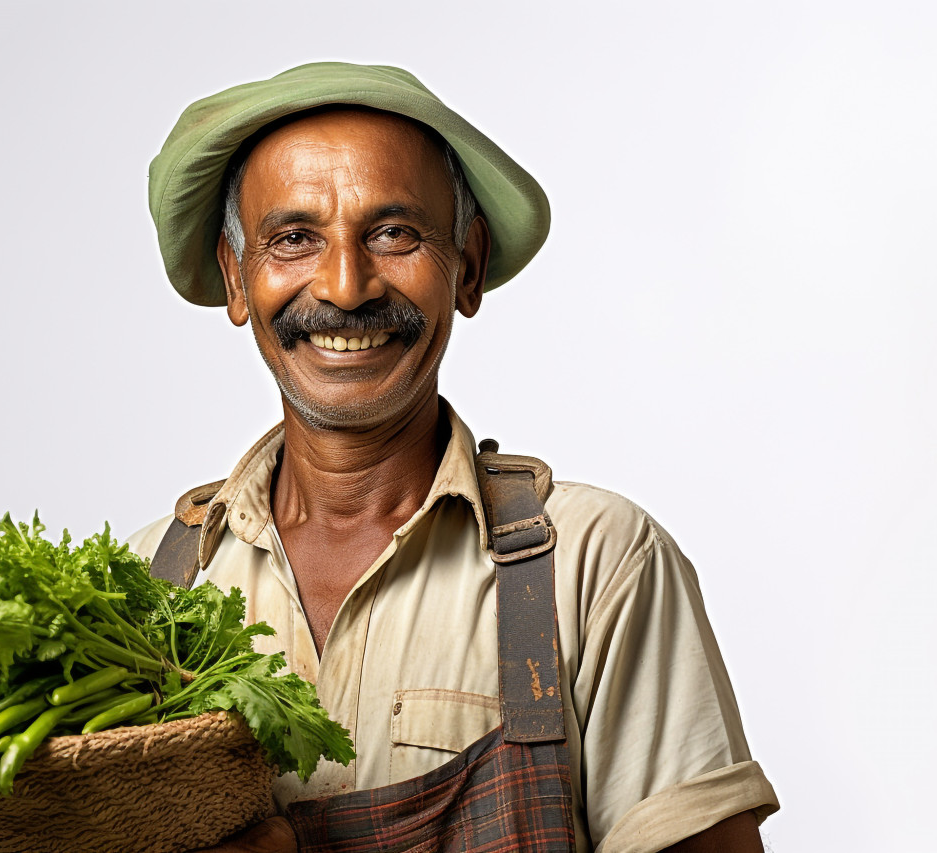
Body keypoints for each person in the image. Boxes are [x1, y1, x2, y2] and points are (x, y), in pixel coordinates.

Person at [129, 62, 779, 852]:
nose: (344, 285)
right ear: (237, 277)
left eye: (393, 233)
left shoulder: (592, 564)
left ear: (466, 265)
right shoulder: (142, 596)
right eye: (295, 238)